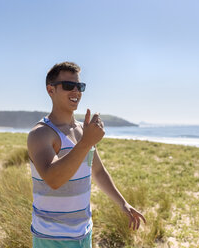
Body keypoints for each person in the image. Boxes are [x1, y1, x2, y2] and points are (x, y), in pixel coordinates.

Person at [27, 62, 146, 248]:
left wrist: (123, 204)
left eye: (79, 86)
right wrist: (85, 143)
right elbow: (53, 180)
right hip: (51, 237)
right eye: (68, 86)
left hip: (83, 233)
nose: (76, 91)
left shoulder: (83, 130)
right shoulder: (40, 133)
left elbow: (97, 172)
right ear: (51, 90)